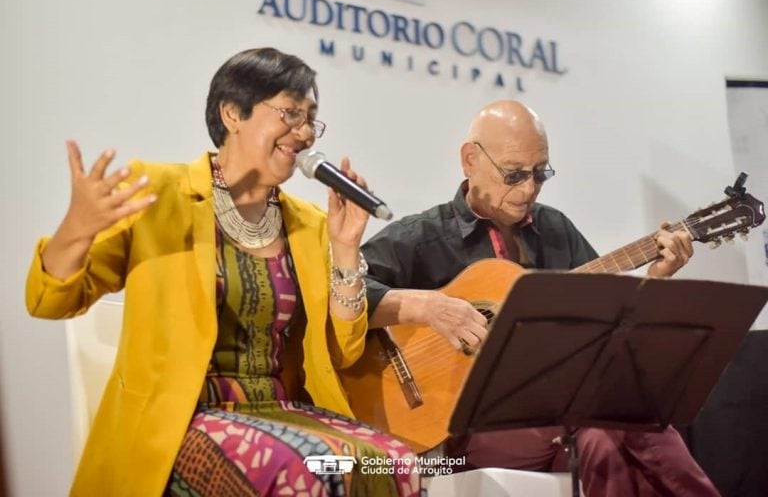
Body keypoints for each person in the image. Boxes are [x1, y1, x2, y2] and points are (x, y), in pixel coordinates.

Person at [25, 48, 419, 497]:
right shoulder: (160, 195)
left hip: (281, 411)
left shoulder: (308, 224)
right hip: (183, 420)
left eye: (311, 119)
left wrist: (346, 250)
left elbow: (340, 355)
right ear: (232, 113)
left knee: (398, 462)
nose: (306, 133)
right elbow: (48, 301)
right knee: (304, 470)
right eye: (291, 113)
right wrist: (74, 232)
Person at [360, 100, 720, 496]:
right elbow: (346, 289)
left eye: (540, 173)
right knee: (621, 422)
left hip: (562, 419)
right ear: (469, 160)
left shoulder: (556, 230)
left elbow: (609, 334)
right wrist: (427, 307)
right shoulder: (422, 237)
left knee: (606, 442)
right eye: (514, 174)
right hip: (468, 431)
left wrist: (657, 280)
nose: (528, 188)